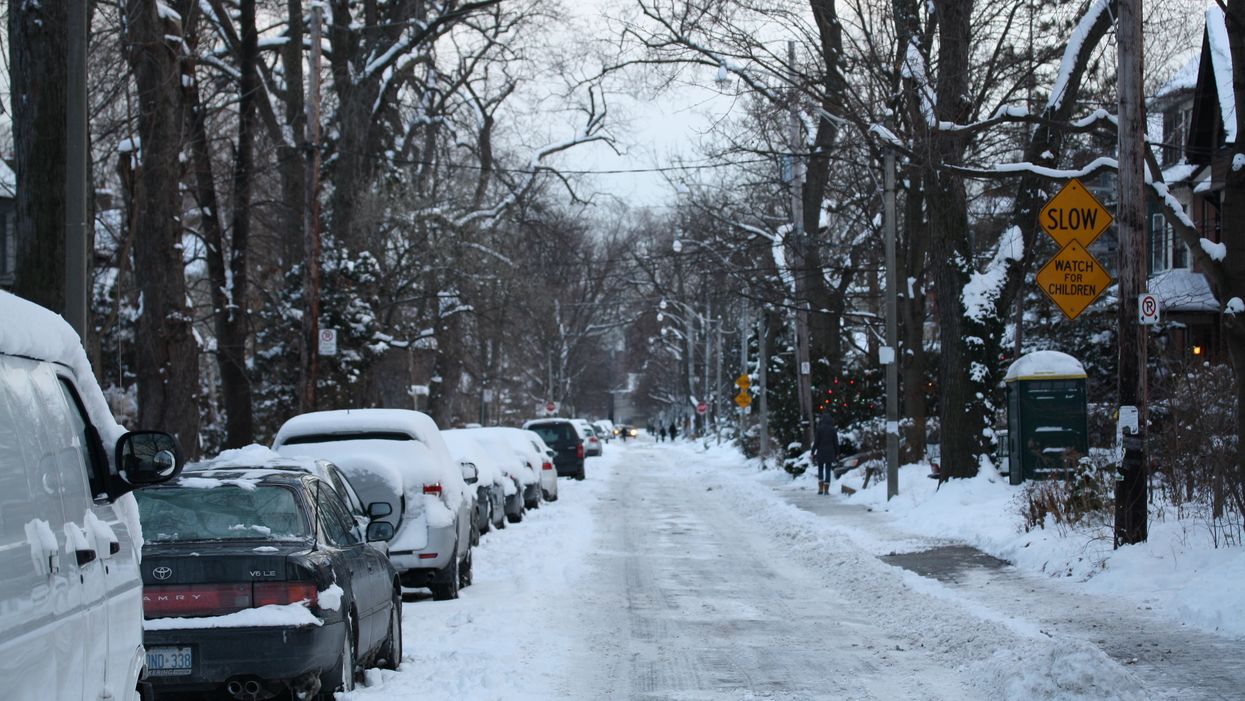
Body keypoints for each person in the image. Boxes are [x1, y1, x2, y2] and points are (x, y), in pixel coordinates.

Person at [811, 411, 839, 495]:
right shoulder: (833, 430)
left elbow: (816, 442)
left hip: (821, 452)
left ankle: (820, 489)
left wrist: (813, 451)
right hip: (830, 452)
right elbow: (836, 443)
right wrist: (837, 453)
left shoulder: (819, 429)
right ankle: (826, 490)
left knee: (820, 469)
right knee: (827, 470)